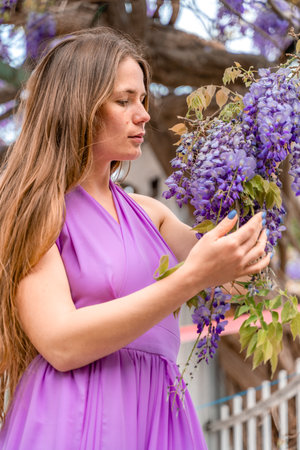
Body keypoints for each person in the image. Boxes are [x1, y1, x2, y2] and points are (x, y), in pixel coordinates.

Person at [0, 27, 269, 449]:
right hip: (75, 417)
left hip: (156, 413)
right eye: (124, 101)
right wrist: (189, 279)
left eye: (142, 100)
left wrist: (252, 175)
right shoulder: (39, 209)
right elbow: (61, 342)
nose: (142, 114)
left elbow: (234, 279)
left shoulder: (152, 214)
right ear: (79, 108)